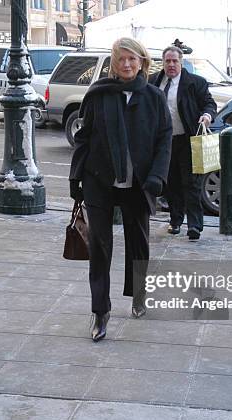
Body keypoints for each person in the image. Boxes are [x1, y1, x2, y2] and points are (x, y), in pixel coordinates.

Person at [69, 37, 172, 341]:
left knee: (138, 243)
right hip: (99, 179)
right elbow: (83, 138)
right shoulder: (99, 94)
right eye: (120, 59)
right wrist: (76, 178)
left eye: (131, 59)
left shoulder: (153, 97)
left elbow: (164, 140)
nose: (126, 65)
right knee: (100, 247)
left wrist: (157, 177)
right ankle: (100, 312)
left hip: (138, 183)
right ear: (113, 63)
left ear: (142, 62)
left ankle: (138, 294)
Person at [151, 46, 216, 240]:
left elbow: (209, 103)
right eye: (167, 61)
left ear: (181, 62)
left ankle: (195, 225)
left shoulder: (195, 83)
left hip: (188, 139)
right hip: (164, 142)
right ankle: (175, 221)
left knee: (192, 184)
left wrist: (206, 115)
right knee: (171, 184)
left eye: (175, 61)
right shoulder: (154, 81)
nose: (171, 65)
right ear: (162, 63)